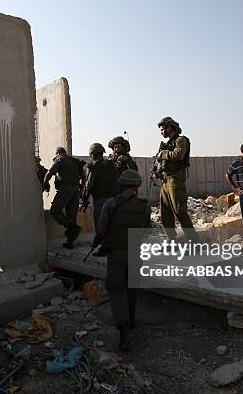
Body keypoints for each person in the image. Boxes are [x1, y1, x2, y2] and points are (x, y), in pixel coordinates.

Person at [94, 169, 151, 351]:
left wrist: (101, 240)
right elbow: (147, 231)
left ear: (122, 184)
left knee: (117, 289)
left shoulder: (111, 203)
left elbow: (101, 229)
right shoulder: (145, 205)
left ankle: (123, 327)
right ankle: (131, 322)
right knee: (132, 289)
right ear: (137, 185)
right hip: (136, 253)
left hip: (117, 253)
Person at [154, 116, 199, 242]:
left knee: (179, 211)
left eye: (163, 129)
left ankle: (193, 240)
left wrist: (162, 154)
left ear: (170, 127)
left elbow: (178, 155)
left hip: (175, 180)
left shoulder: (181, 140)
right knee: (165, 213)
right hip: (165, 180)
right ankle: (171, 239)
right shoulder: (167, 144)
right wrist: (158, 171)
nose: (162, 132)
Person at [44, 147, 86, 248]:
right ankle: (70, 242)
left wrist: (45, 182)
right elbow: (84, 176)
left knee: (54, 211)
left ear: (58, 153)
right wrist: (81, 189)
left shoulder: (60, 159)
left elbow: (50, 172)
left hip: (65, 189)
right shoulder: (75, 161)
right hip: (75, 190)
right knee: (72, 216)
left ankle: (72, 226)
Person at [82, 143, 120, 256]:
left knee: (101, 223)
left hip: (101, 199)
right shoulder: (111, 164)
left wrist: (84, 198)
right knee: (112, 222)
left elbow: (89, 185)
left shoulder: (94, 166)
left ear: (93, 155)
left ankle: (104, 247)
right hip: (114, 198)